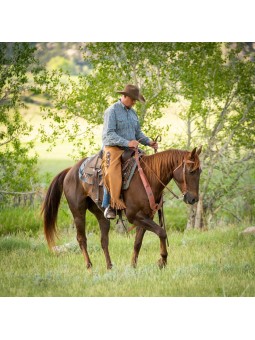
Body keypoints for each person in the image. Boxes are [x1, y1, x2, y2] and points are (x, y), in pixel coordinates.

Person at [102, 84, 158, 219]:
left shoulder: (133, 113)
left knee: (148, 166)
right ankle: (110, 204)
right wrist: (127, 142)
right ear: (124, 96)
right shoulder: (112, 111)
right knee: (112, 171)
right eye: (132, 99)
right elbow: (108, 134)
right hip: (114, 148)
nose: (134, 102)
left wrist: (149, 142)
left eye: (135, 100)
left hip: (131, 148)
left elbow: (137, 133)